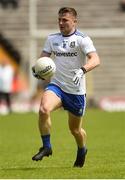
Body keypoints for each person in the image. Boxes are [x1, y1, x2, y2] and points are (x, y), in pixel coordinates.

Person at [32, 7, 100, 167]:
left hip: (75, 92)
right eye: (59, 20)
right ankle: (47, 146)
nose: (61, 23)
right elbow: (43, 59)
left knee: (75, 130)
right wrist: (37, 69)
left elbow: (95, 59)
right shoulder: (52, 39)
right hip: (57, 86)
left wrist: (82, 70)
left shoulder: (83, 39)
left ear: (74, 21)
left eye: (65, 20)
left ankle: (82, 149)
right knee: (43, 109)